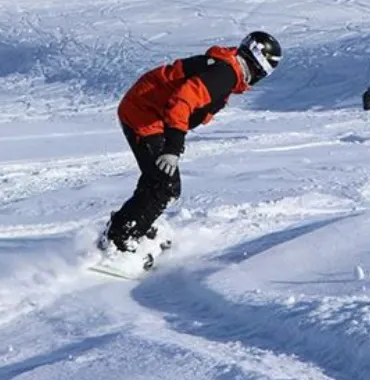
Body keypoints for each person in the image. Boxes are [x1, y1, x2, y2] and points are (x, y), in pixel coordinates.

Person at [101, 31, 282, 254]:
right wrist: (172, 148)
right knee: (164, 185)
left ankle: (132, 224)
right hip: (143, 116)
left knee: (161, 181)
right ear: (260, 63)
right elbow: (181, 102)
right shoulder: (225, 75)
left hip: (151, 113)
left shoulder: (228, 70)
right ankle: (118, 240)